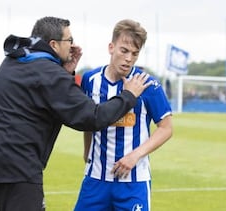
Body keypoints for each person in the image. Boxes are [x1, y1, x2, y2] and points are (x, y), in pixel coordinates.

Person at [0, 16, 152, 211]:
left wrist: (65, 72)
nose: (73, 46)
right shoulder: (49, 73)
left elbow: (45, 97)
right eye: (69, 41)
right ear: (54, 44)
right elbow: (92, 117)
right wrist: (128, 95)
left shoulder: (12, 62)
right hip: (18, 170)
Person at [74, 19, 173, 211]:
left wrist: (135, 156)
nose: (129, 58)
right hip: (96, 179)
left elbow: (166, 128)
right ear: (111, 48)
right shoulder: (90, 80)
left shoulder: (148, 85)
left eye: (135, 54)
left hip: (133, 182)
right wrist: (87, 150)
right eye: (124, 51)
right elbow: (89, 119)